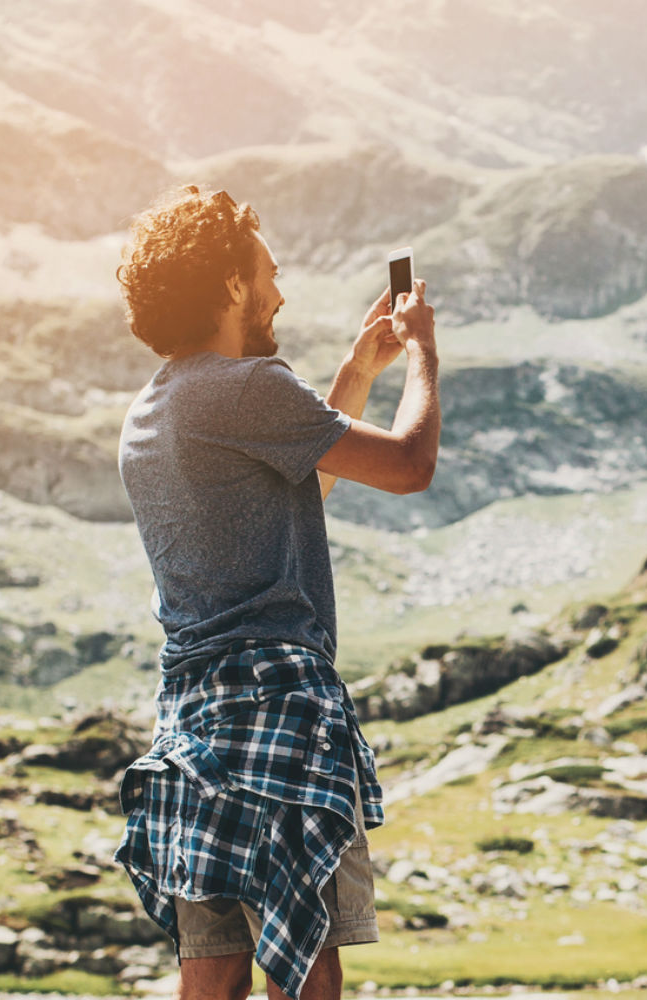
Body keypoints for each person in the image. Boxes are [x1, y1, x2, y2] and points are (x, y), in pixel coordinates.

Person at [110, 185, 441, 1000]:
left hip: (193, 725)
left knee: (212, 972)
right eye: (268, 272)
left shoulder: (155, 410)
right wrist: (425, 352)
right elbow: (408, 465)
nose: (279, 292)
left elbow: (298, 494)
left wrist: (360, 368)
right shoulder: (245, 387)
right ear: (229, 284)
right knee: (309, 964)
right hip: (281, 710)